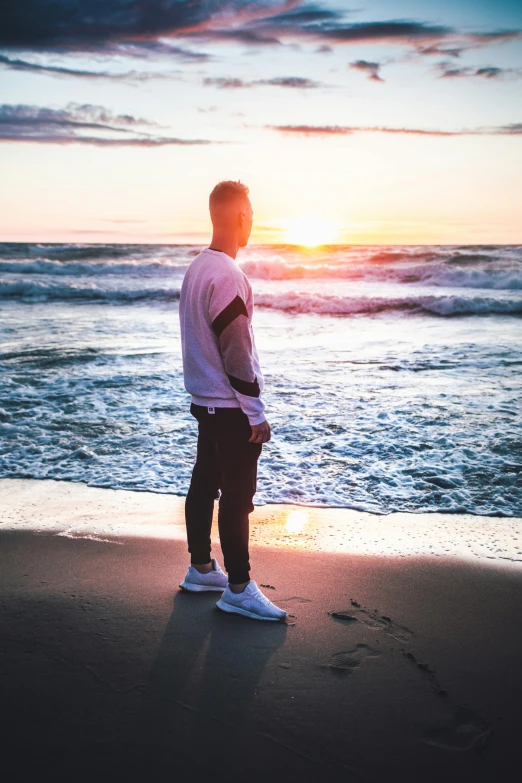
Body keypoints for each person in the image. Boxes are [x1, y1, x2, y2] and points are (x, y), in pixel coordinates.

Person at [178, 180, 287, 622]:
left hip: (205, 402)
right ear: (240, 217)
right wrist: (255, 412)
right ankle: (238, 588)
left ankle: (202, 568)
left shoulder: (197, 268)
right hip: (228, 407)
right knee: (238, 496)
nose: (253, 221)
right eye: (252, 213)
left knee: (205, 483)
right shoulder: (227, 275)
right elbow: (236, 351)